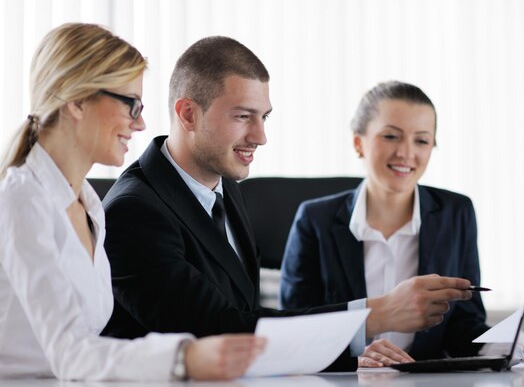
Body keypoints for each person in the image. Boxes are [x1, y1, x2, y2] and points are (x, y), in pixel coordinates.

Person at [101, 36, 475, 372]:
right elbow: (217, 330)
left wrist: (349, 355)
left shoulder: (226, 190)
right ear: (188, 114)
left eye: (263, 117)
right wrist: (374, 314)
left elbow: (249, 316)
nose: (260, 136)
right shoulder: (134, 210)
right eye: (243, 116)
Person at [0, 23, 265, 381]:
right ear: (76, 101)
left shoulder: (89, 205)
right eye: (131, 105)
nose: (140, 124)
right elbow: (69, 352)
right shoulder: (23, 199)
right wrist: (184, 357)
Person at [280, 81, 524, 366]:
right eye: (390, 136)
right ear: (359, 142)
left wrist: (520, 345)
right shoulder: (315, 219)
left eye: (422, 140)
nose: (406, 153)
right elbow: (296, 328)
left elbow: (463, 326)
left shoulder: (455, 213)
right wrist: (353, 358)